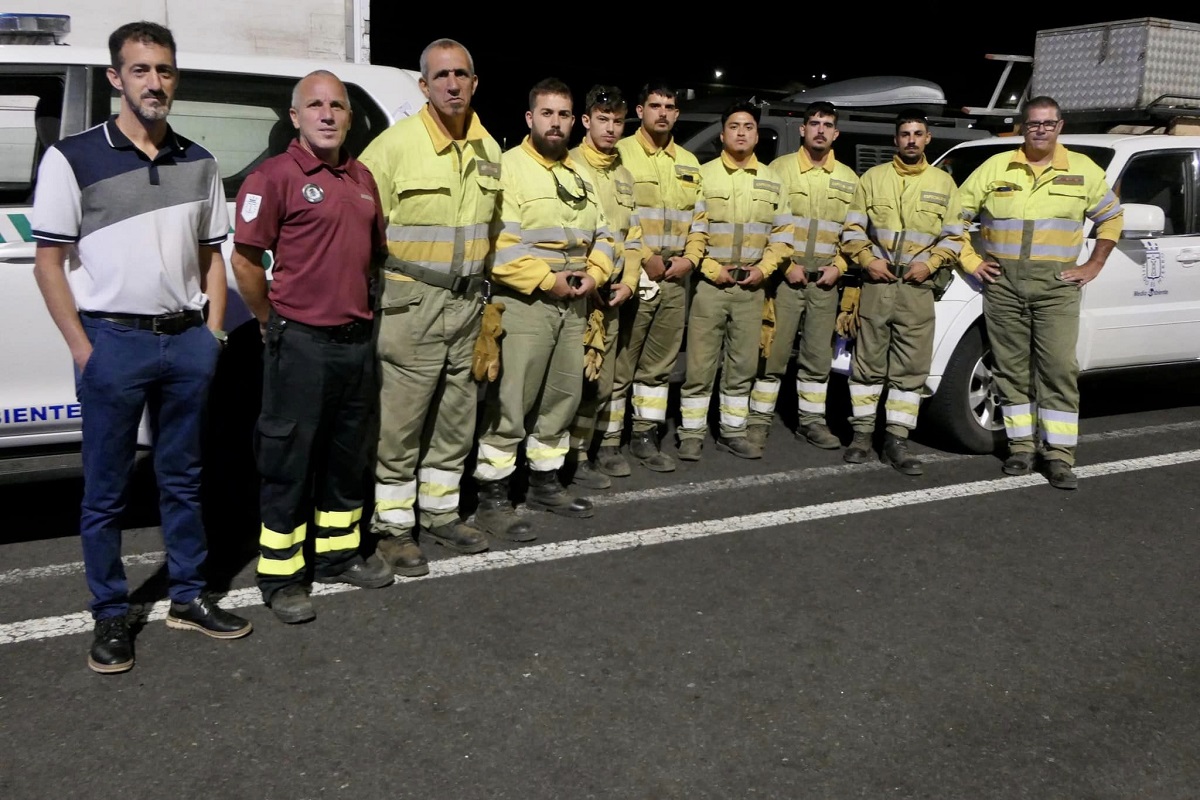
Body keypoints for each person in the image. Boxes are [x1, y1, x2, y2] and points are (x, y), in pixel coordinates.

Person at [31, 20, 251, 673]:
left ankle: (187, 595)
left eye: (165, 70)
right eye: (142, 70)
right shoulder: (73, 158)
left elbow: (213, 256)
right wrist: (83, 350)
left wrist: (212, 334)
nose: (155, 82)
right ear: (116, 79)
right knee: (104, 491)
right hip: (112, 343)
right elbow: (49, 262)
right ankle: (109, 613)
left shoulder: (199, 160)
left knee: (183, 479)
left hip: (185, 342)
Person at [231, 70, 394, 624]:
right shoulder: (272, 177)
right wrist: (268, 319)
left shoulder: (363, 178)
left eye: (338, 106)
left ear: (350, 117)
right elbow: (246, 262)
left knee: (348, 458)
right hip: (299, 342)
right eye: (315, 105)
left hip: (355, 342)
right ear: (295, 117)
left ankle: (338, 554)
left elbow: (372, 256)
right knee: (289, 460)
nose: (327, 114)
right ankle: (280, 575)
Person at [356, 39, 503, 568]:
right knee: (400, 422)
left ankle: (441, 515)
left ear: (474, 82)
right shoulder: (392, 149)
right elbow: (363, 235)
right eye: (440, 76)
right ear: (424, 85)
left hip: (468, 305)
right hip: (411, 303)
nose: (452, 84)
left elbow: (494, 227)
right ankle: (393, 526)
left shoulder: (488, 150)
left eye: (461, 74)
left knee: (456, 416)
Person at [472, 78, 614, 541]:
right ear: (530, 118)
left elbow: (608, 234)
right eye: (547, 114)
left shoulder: (582, 173)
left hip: (574, 303)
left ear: (575, 121)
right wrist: (548, 280)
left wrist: (595, 273)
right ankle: (493, 496)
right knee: (511, 401)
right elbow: (498, 242)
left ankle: (543, 482)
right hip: (526, 302)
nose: (556, 123)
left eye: (564, 115)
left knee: (562, 398)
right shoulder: (508, 168)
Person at [957, 96, 1123, 490]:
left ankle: (1059, 456)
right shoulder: (997, 167)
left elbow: (1112, 217)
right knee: (1011, 370)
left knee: (1059, 369)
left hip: (1056, 288)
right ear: (1023, 127)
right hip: (1003, 286)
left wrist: (1094, 264)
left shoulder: (1082, 170)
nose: (1041, 130)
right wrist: (970, 261)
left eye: (1048, 123)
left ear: (1060, 126)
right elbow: (955, 218)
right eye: (1033, 123)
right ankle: (1020, 448)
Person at [839, 110, 966, 476]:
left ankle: (896, 439)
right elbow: (852, 228)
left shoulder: (944, 184)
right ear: (895, 140)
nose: (911, 139)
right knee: (867, 364)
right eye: (905, 134)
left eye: (918, 134)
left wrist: (931, 263)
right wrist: (866, 260)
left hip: (916, 287)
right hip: (877, 284)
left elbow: (955, 236)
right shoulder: (873, 179)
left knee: (910, 369)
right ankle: (862, 436)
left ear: (927, 139)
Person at [676, 100, 791, 461]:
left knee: (742, 366)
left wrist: (764, 269)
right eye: (734, 126)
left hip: (752, 287)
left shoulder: (773, 181)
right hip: (711, 285)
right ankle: (691, 434)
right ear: (723, 133)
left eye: (748, 127)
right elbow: (690, 230)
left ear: (757, 135)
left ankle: (733, 430)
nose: (741, 133)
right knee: (699, 364)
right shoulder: (701, 176)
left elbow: (783, 234)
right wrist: (710, 268)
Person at [600, 81, 705, 475]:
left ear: (678, 113)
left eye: (670, 106)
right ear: (639, 111)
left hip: (675, 277)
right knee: (622, 361)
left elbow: (699, 219)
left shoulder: (689, 163)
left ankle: (645, 435)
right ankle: (609, 441)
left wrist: (690, 260)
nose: (662, 112)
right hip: (636, 273)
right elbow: (617, 216)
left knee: (659, 365)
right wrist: (645, 259)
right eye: (655, 105)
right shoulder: (619, 153)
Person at [749, 101, 859, 452]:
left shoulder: (848, 179)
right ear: (802, 129)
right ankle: (758, 422)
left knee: (816, 358)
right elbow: (764, 225)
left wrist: (838, 267)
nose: (821, 130)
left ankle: (811, 422)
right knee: (773, 354)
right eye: (814, 123)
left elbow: (854, 233)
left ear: (836, 132)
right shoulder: (778, 170)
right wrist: (785, 266)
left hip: (825, 282)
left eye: (827, 124)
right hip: (786, 278)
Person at [566, 85, 642, 489]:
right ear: (586, 120)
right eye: (603, 119)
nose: (611, 128)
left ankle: (583, 454)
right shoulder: (569, 164)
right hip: (577, 291)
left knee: (602, 379)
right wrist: (591, 279)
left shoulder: (624, 175)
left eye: (617, 121)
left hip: (611, 294)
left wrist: (628, 282)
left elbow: (633, 237)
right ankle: (556, 459)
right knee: (570, 381)